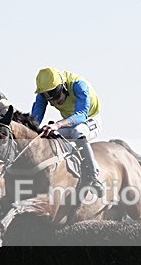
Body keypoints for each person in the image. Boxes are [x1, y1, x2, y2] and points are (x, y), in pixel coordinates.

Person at [31, 67, 104, 197]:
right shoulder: (44, 92)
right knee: (49, 136)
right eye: (49, 99)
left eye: (57, 95)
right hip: (69, 121)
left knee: (77, 132)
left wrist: (57, 125)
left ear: (63, 86)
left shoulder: (79, 85)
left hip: (90, 119)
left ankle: (93, 177)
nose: (54, 101)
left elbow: (81, 115)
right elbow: (35, 119)